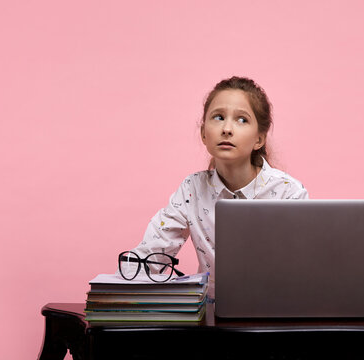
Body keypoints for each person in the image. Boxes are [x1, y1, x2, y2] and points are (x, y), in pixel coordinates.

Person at [127, 76, 308, 299]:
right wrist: (112, 295)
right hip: (213, 320)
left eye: (242, 120)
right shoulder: (191, 189)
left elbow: (304, 267)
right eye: (218, 117)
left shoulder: (288, 192)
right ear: (204, 133)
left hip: (275, 313)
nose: (227, 129)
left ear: (259, 139)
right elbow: (151, 254)